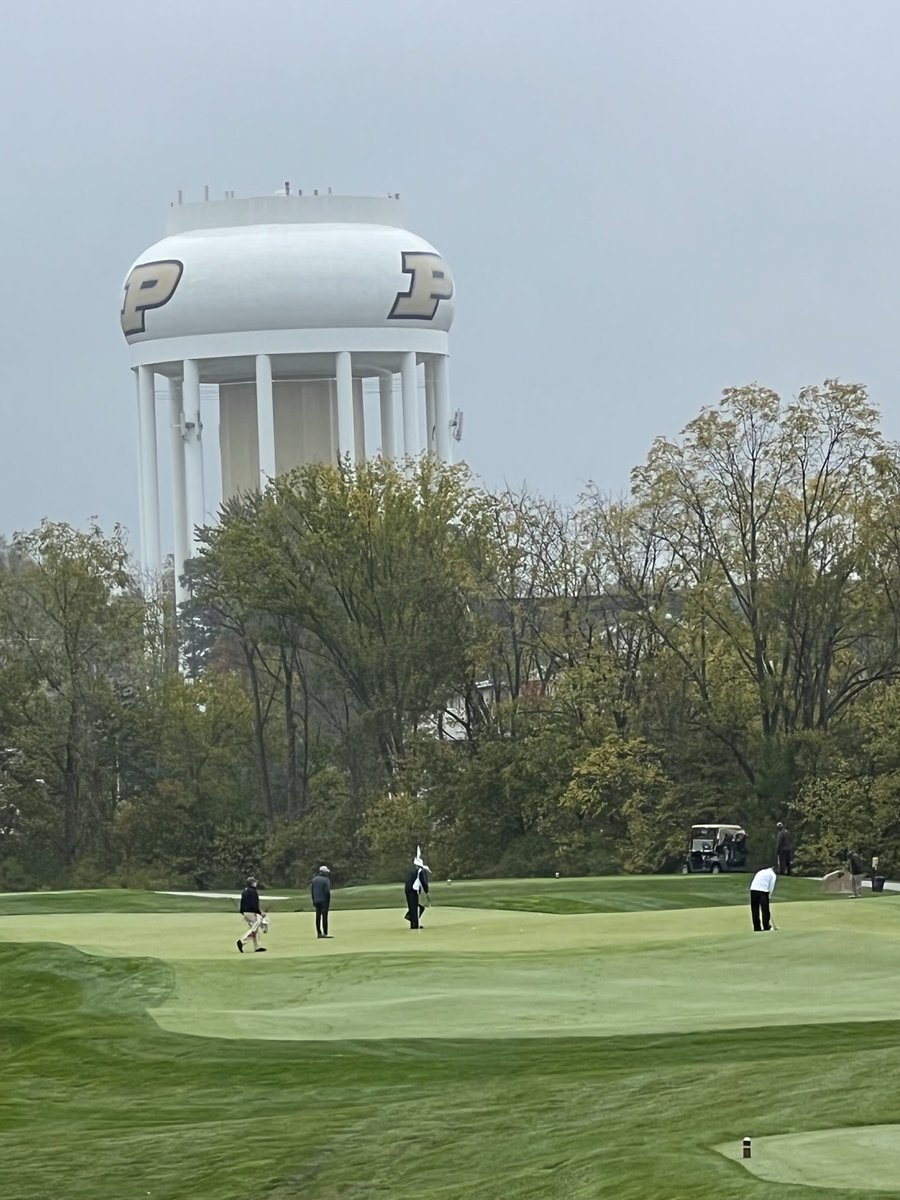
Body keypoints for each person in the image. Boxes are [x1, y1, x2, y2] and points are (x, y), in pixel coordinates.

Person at [236, 875, 267, 953]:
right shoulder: (253, 891)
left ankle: (257, 947)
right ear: (252, 883)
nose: (256, 883)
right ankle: (242, 941)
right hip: (250, 912)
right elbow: (254, 904)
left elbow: (242, 902)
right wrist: (260, 913)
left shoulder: (245, 891)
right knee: (254, 929)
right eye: (254, 882)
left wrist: (242, 912)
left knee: (255, 930)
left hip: (245, 912)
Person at [404, 848, 430, 929]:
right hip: (412, 889)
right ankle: (414, 924)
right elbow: (423, 882)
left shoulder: (413, 870)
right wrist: (426, 891)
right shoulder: (420, 870)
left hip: (408, 889)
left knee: (413, 906)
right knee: (414, 907)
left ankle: (413, 922)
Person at [749, 864, 777, 931]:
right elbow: (771, 886)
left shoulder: (761, 871)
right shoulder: (773, 875)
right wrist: (769, 896)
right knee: (765, 910)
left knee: (755, 909)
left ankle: (757, 928)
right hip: (763, 891)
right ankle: (766, 926)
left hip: (753, 890)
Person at [310, 865, 331, 938]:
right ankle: (325, 933)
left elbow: (312, 892)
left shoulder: (314, 880)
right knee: (324, 916)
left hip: (316, 900)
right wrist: (328, 901)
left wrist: (313, 900)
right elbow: (327, 892)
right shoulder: (326, 880)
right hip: (324, 901)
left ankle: (319, 933)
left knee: (318, 916)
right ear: (323, 872)